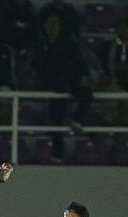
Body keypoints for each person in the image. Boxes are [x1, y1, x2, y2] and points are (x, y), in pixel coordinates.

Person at [34, 14, 93, 161]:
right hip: (51, 85)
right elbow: (38, 66)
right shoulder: (41, 44)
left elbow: (80, 63)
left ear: (60, 26)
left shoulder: (69, 43)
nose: (52, 26)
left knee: (87, 95)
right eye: (49, 22)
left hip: (69, 83)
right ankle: (57, 156)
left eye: (55, 22)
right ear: (44, 25)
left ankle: (75, 118)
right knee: (56, 120)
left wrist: (82, 77)